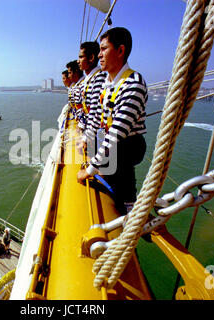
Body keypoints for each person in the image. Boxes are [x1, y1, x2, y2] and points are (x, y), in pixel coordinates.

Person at [77, 27, 148, 215]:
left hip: (128, 145)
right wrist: (86, 138)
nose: (99, 55)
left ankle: (129, 206)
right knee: (109, 164)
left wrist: (90, 170)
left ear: (120, 51)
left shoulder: (133, 82)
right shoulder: (107, 83)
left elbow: (117, 133)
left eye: (104, 49)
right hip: (111, 144)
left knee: (116, 160)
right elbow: (94, 117)